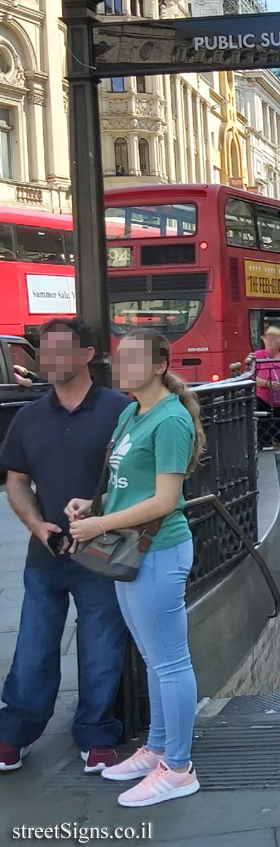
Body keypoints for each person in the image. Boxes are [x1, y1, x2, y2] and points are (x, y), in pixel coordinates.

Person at [68, 327, 203, 807]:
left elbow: (166, 500)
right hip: (134, 549)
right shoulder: (131, 412)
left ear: (160, 365)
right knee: (155, 659)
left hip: (158, 550)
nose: (118, 366)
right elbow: (129, 484)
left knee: (170, 662)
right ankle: (158, 749)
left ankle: (180, 767)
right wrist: (93, 504)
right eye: (118, 358)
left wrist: (101, 521)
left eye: (129, 359)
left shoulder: (170, 420)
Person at [0, 318, 131, 775]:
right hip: (45, 557)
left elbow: (138, 482)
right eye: (45, 350)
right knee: (33, 648)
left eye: (59, 349)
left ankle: (96, 734)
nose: (49, 358)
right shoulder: (28, 417)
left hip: (101, 554)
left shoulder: (121, 411)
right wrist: (35, 524)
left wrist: (99, 514)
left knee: (101, 649)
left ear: (87, 355)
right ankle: (14, 733)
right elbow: (16, 480)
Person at [231, 326, 280, 450]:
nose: (269, 341)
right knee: (263, 430)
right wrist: (267, 383)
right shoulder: (257, 356)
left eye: (273, 339)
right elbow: (250, 377)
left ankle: (279, 452)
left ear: (279, 342)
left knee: (279, 430)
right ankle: (262, 452)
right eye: (267, 339)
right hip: (262, 399)